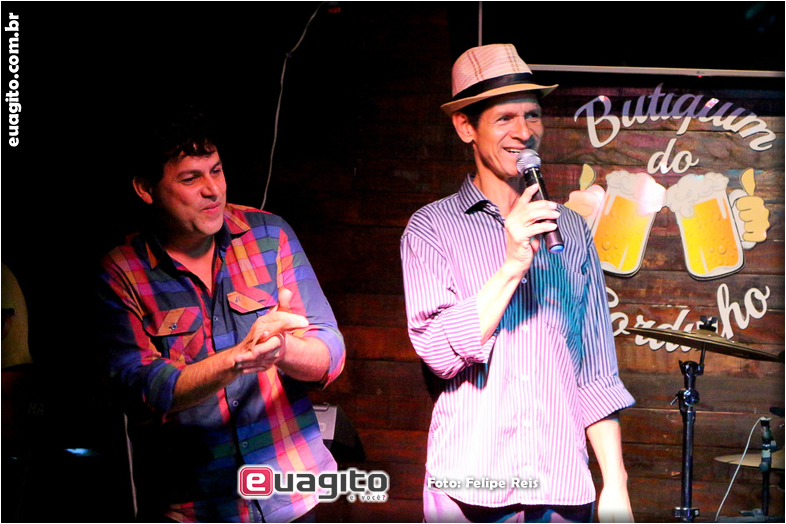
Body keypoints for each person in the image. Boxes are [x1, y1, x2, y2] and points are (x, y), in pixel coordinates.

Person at [400, 44, 636, 523]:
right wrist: (512, 264)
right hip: (472, 484)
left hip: (560, 483)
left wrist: (615, 483)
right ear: (466, 127)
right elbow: (440, 353)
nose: (524, 132)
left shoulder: (571, 231)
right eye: (504, 118)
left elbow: (594, 368)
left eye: (532, 115)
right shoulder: (431, 229)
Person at [96, 109, 345, 522]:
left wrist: (283, 350)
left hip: (293, 493)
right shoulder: (122, 271)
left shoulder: (269, 234)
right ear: (145, 188)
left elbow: (330, 353)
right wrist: (236, 360)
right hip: (195, 505)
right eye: (190, 179)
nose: (213, 190)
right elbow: (139, 388)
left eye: (216, 170)